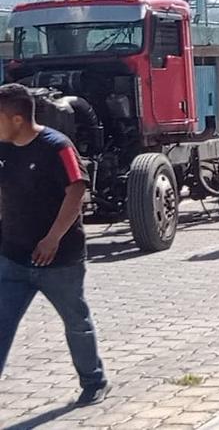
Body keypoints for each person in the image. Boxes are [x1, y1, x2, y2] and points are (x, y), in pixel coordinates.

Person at [0, 83, 110, 407]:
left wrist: (53, 238)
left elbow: (76, 192)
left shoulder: (56, 146)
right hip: (13, 258)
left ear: (16, 119)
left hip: (59, 260)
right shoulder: (3, 148)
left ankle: (94, 381)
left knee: (76, 322)